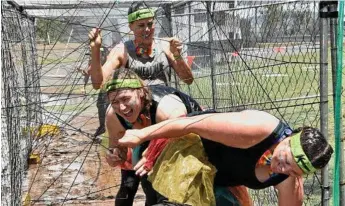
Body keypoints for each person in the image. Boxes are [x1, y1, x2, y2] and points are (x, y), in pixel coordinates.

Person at [88, 2, 194, 205]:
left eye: (150, 24)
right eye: (140, 25)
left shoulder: (165, 46)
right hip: (132, 119)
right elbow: (98, 83)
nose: (147, 30)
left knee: (155, 182)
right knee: (129, 183)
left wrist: (178, 55)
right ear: (131, 27)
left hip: (159, 118)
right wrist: (95, 50)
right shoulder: (123, 50)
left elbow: (187, 79)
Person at [117, 110, 334, 206]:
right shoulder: (257, 129)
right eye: (286, 160)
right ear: (288, 139)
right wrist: (142, 135)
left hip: (218, 178)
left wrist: (291, 173)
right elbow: (188, 124)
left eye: (294, 171)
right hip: (189, 150)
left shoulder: (290, 179)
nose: (283, 169)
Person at [103, 68, 202, 205]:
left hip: (191, 139)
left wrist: (152, 152)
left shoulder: (166, 106)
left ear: (141, 92)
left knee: (172, 192)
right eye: (114, 102)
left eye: (126, 99)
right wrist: (115, 154)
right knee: (148, 188)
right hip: (150, 142)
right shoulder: (113, 115)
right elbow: (116, 146)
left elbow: (182, 128)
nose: (122, 108)